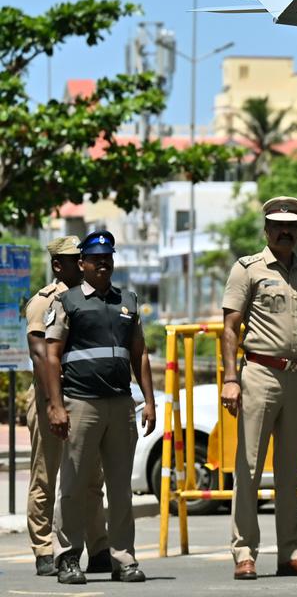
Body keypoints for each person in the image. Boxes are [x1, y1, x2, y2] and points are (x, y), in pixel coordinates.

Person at [220, 196, 297, 580]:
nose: (286, 231)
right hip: (259, 376)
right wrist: (231, 379)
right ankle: (245, 553)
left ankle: (290, 553)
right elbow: (230, 327)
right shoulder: (247, 269)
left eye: (292, 226)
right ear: (266, 230)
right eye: (279, 225)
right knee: (248, 468)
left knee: (289, 472)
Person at [42, 230, 155, 584]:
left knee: (120, 488)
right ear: (82, 263)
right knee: (74, 485)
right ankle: (68, 557)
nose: (103, 263)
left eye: (108, 258)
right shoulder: (67, 302)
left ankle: (123, 558)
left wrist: (148, 401)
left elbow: (140, 354)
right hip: (81, 404)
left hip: (121, 404)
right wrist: (56, 406)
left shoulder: (128, 301)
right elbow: (50, 356)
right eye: (95, 259)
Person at [23, 236, 109, 578]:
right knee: (46, 475)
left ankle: (99, 547)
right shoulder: (44, 302)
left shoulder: (91, 299)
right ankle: (44, 549)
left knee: (91, 478)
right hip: (51, 399)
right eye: (77, 259)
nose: (84, 262)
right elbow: (41, 355)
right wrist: (54, 405)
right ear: (59, 264)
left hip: (85, 398)